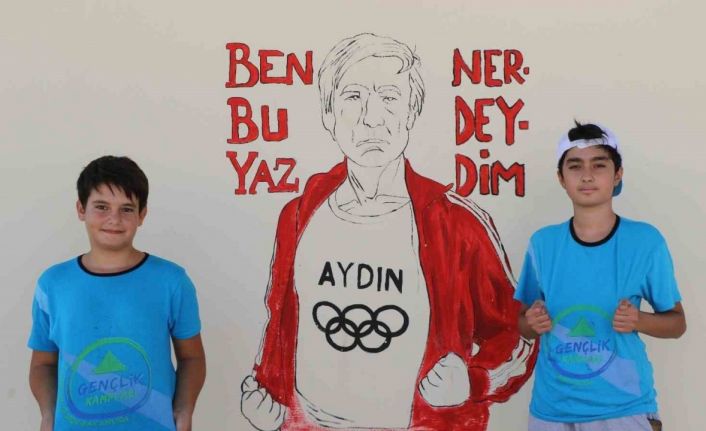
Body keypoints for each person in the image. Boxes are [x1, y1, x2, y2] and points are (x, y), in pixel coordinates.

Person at [241, 33, 536, 431]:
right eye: (353, 96)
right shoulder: (297, 217)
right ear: (328, 114)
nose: (372, 118)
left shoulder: (455, 223)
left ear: (412, 112)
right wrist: (267, 397)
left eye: (390, 97)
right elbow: (279, 321)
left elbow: (517, 329)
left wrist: (473, 381)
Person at [515, 122, 686, 431]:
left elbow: (677, 323)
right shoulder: (542, 244)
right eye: (575, 166)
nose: (587, 175)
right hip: (550, 411)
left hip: (623, 408)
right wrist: (532, 322)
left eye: (599, 165)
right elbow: (523, 324)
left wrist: (639, 320)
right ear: (561, 178)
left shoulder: (645, 241)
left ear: (617, 174)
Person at [28, 156, 206, 431]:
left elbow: (191, 358)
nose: (114, 219)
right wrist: (48, 415)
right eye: (101, 207)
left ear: (142, 215)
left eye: (127, 209)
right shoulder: (52, 284)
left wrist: (184, 411)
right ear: (81, 209)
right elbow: (42, 364)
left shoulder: (172, 281)